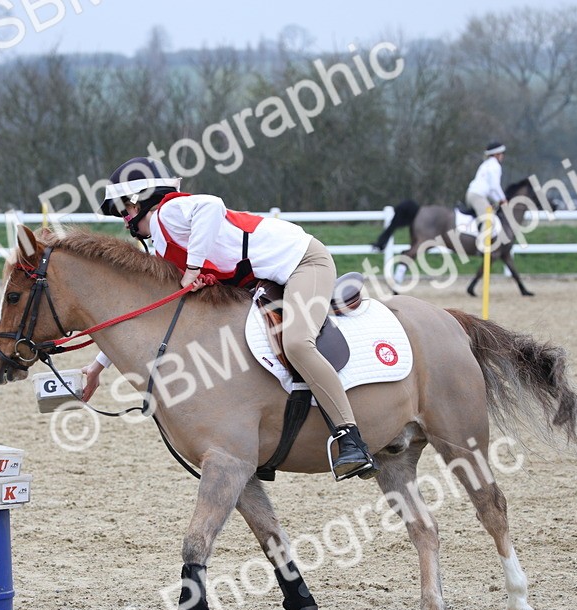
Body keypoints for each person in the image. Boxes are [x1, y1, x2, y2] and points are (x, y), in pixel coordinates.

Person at [84, 156, 379, 481]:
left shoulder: (168, 212)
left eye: (124, 210)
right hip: (270, 280)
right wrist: (98, 366)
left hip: (303, 262)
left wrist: (193, 268)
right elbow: (150, 311)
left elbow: (211, 205)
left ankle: (350, 437)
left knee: (296, 342)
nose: (125, 220)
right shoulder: (161, 248)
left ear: (140, 200)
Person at [465, 142, 507, 222]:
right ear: (496, 154)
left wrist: (498, 200)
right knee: (489, 221)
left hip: (471, 195)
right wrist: (503, 199)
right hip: (478, 197)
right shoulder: (495, 166)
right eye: (502, 153)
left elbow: (490, 190)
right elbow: (495, 186)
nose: (503, 156)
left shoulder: (485, 164)